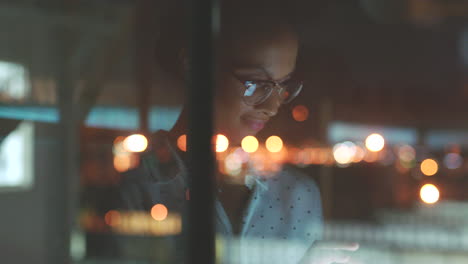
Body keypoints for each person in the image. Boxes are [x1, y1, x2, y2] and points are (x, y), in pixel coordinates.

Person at [116, 1, 359, 263]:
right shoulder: (137, 189)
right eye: (255, 83)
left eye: (282, 86)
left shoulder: (298, 194)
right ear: (195, 66)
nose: (272, 106)